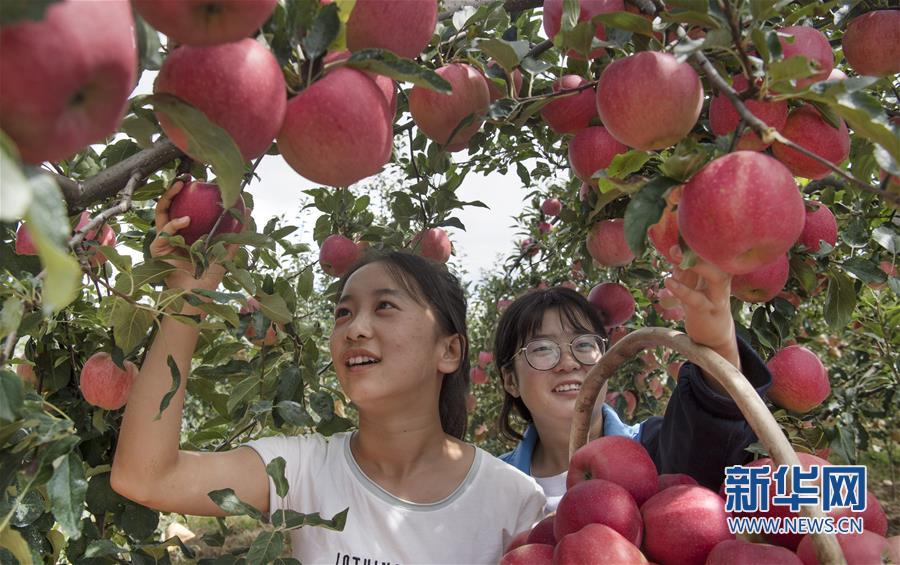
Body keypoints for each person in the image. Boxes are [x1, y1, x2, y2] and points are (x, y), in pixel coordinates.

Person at [111, 181, 545, 564]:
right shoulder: (302, 469)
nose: (354, 328)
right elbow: (146, 475)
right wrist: (188, 295)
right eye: (343, 312)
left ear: (449, 350)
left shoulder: (513, 503)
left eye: (385, 306)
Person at [495, 248, 773, 512]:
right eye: (543, 349)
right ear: (510, 380)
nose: (568, 363)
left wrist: (717, 343)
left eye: (583, 345)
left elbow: (705, 437)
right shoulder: (492, 488)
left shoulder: (650, 449)